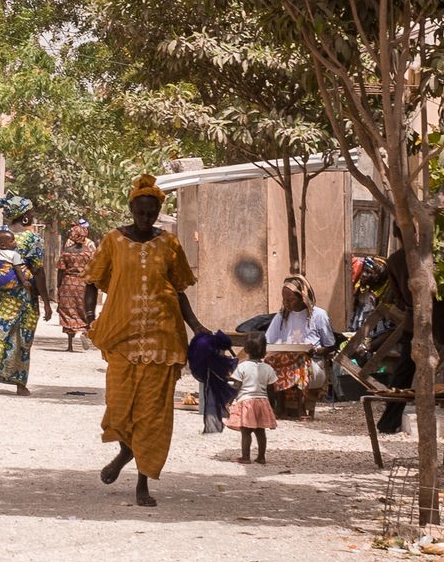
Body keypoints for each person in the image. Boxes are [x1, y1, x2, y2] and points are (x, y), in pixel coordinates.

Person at [83, 175, 208, 507]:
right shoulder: (112, 240)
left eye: (151, 213)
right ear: (131, 209)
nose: (145, 218)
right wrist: (88, 318)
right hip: (122, 338)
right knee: (120, 407)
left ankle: (143, 482)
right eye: (140, 212)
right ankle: (125, 451)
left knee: (153, 414)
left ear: (157, 212)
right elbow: (92, 280)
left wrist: (195, 325)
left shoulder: (170, 244)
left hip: (162, 339)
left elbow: (178, 289)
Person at [376, 243, 444, 433]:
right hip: (440, 317)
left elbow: (398, 296)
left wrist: (412, 306)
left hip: (413, 319)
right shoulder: (432, 255)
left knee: (405, 369)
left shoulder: (394, 260)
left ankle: (388, 421)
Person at [0, 192, 53, 395]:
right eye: (31, 213)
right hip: (23, 295)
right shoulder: (32, 239)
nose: (32, 216)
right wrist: (46, 301)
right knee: (22, 336)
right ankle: (19, 384)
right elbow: (38, 271)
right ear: (25, 216)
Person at [264, 274, 335, 417]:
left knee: (299, 359)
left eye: (290, 300)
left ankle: (300, 408)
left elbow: (331, 346)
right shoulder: (282, 316)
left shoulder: (319, 315)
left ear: (302, 297)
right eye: (284, 299)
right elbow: (268, 341)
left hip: (313, 366)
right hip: (285, 363)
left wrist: (314, 350)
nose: (286, 303)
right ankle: (279, 407)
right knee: (270, 361)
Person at [225, 332, 278, 464]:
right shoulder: (268, 368)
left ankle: (245, 457)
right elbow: (272, 389)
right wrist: (272, 405)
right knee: (260, 431)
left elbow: (236, 386)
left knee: (246, 431)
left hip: (246, 402)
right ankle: (261, 457)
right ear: (265, 351)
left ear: (246, 350)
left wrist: (228, 401)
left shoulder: (242, 367)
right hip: (262, 402)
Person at [57, 223, 96, 351]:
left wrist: (59, 286)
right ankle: (84, 332)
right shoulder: (89, 252)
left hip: (68, 283)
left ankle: (69, 345)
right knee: (82, 310)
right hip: (83, 284)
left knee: (68, 312)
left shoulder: (66, 252)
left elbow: (61, 270)